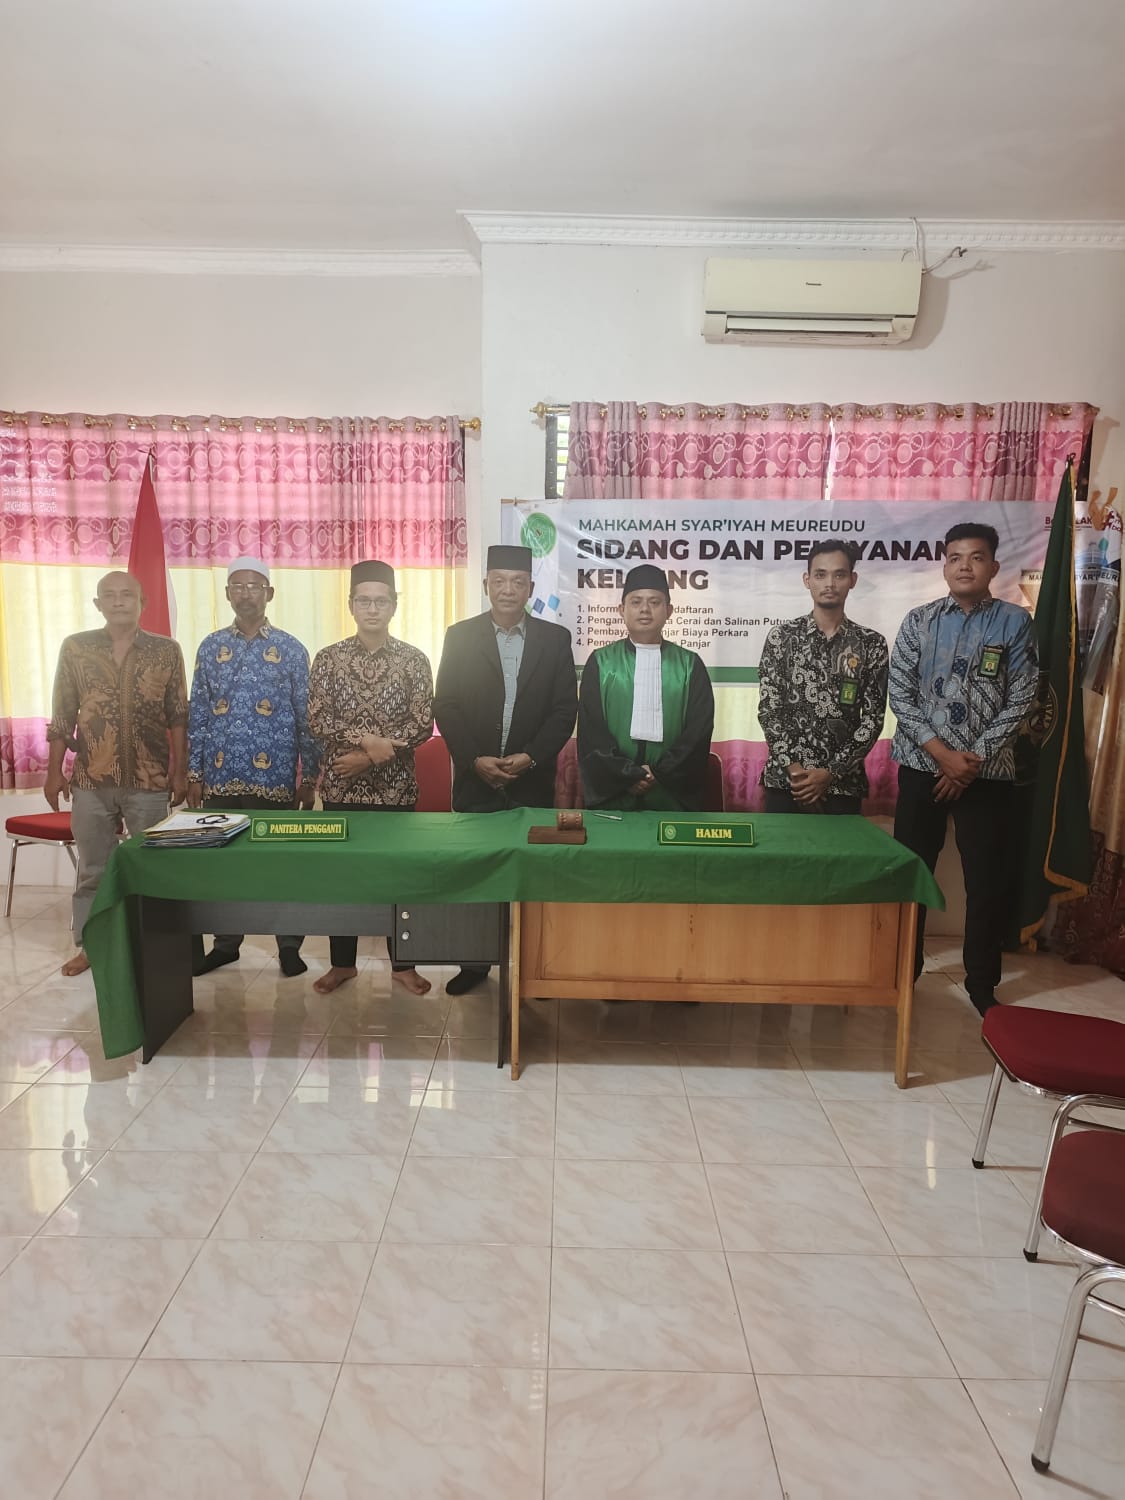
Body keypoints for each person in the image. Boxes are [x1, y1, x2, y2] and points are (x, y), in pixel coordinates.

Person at [889, 522, 1038, 1015]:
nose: (964, 566)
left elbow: (1022, 697)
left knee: (986, 881)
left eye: (975, 557)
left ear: (993, 566)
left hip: (986, 774)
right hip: (921, 768)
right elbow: (900, 695)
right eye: (955, 557)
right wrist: (943, 756)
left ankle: (982, 984)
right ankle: (901, 972)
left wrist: (969, 760)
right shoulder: (919, 621)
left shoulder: (1015, 623)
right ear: (944, 565)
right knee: (912, 875)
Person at [434, 542, 578, 994]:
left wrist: (531, 756)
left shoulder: (554, 640)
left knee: (532, 875)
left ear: (530, 589)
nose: (508, 590)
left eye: (517, 582)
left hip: (530, 781)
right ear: (486, 586)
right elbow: (446, 704)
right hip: (475, 781)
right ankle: (474, 962)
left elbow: (564, 710)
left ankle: (534, 968)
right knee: (475, 874)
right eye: (499, 581)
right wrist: (473, 759)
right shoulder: (460, 636)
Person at [45, 571, 189, 976]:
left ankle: (149, 945)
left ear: (143, 602)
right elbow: (62, 714)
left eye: (127, 594)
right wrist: (54, 771)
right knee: (93, 868)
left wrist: (179, 771)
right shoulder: (76, 648)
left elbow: (178, 714)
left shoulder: (166, 650)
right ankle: (92, 945)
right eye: (109, 595)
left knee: (150, 867)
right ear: (98, 604)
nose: (119, 601)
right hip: (91, 779)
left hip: (150, 780)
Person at [187, 556, 320, 977]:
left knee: (280, 866)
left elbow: (307, 718)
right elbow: (198, 714)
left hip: (275, 779)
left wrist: (309, 777)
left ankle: (289, 946)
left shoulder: (291, 649)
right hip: (220, 777)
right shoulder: (210, 647)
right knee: (224, 868)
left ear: (270, 593)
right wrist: (194, 773)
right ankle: (226, 944)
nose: (246, 594)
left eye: (255, 586)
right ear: (227, 593)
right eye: (238, 586)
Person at [307, 560, 434, 997]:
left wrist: (370, 759)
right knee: (342, 880)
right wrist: (367, 741)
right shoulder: (329, 659)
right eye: (364, 601)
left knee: (399, 879)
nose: (373, 609)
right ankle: (342, 964)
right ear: (351, 605)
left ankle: (404, 964)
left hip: (396, 792)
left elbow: (421, 724)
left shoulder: (414, 660)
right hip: (341, 789)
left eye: (381, 601)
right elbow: (318, 719)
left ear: (395, 605)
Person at [758, 538, 889, 814]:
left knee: (839, 846)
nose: (829, 583)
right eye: (820, 575)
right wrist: (797, 773)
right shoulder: (782, 638)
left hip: (843, 785)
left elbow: (873, 719)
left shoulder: (871, 644)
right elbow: (770, 711)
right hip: (786, 782)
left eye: (839, 575)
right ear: (807, 580)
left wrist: (830, 773)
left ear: (852, 580)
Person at [578, 564, 714, 810]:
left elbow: (697, 733)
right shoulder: (601, 663)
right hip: (615, 794)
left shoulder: (689, 665)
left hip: (670, 793)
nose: (644, 609)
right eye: (636, 601)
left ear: (669, 610)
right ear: (622, 609)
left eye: (654, 602)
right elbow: (591, 732)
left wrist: (659, 773)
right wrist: (625, 776)